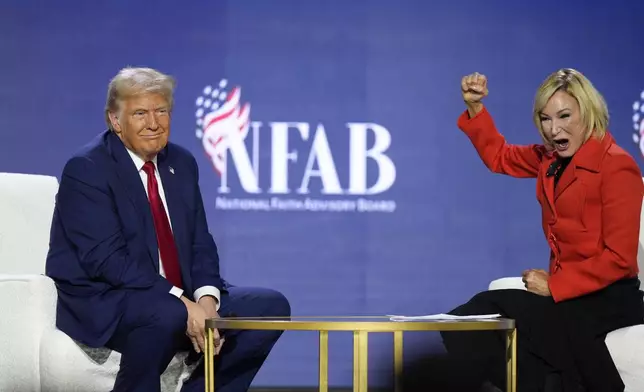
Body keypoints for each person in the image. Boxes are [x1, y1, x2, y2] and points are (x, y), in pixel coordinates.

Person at [45, 67, 291, 392]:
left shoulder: (181, 162)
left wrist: (205, 300)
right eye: (140, 113)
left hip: (176, 296)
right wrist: (182, 302)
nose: (153, 123)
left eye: (161, 111)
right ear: (115, 121)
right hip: (109, 295)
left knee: (269, 307)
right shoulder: (88, 169)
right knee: (168, 314)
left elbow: (200, 242)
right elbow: (106, 261)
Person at [438, 69, 644, 392]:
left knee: (548, 327)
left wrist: (555, 286)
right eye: (545, 119)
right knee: (474, 314)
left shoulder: (617, 166)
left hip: (610, 295)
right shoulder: (549, 160)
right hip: (569, 296)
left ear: (587, 112)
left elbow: (618, 259)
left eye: (564, 116)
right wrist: (476, 109)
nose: (554, 129)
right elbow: (499, 157)